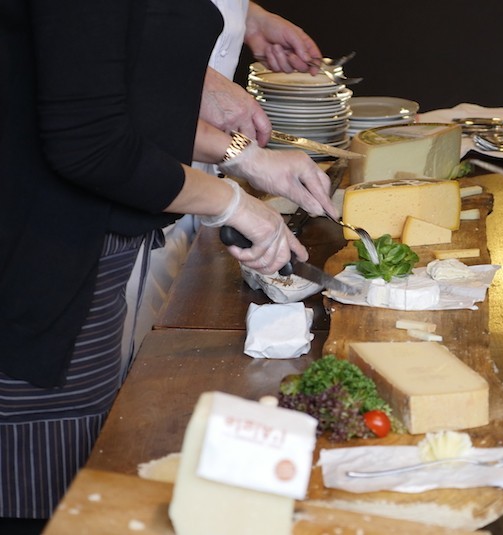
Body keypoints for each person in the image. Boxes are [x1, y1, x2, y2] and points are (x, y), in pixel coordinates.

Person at [0, 1, 335, 532]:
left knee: (75, 463)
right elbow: (91, 141)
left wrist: (245, 156)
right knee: (42, 490)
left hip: (81, 256)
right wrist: (233, 203)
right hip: (38, 255)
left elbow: (129, 97)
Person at [121, 2, 325, 369]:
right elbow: (112, 92)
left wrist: (247, 16)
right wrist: (238, 183)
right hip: (128, 201)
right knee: (128, 365)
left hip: (191, 180)